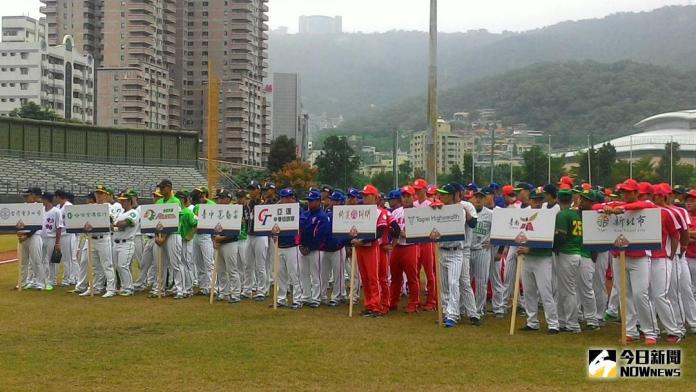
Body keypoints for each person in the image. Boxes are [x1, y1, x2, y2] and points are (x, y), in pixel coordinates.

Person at [593, 178, 659, 345]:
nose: (625, 194)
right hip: (618, 255)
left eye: (629, 191)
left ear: (636, 193)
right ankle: (630, 331)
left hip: (640, 256)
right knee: (625, 295)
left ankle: (650, 332)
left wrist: (621, 208)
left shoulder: (645, 204)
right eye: (623, 191)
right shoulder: (616, 203)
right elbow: (595, 207)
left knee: (640, 294)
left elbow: (646, 206)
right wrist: (608, 208)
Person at [518, 188, 559, 334]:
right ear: (530, 201)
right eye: (534, 199)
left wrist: (530, 249)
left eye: (539, 200)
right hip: (527, 258)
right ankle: (532, 322)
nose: (536, 202)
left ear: (543, 201)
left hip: (542, 258)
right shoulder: (524, 215)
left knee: (545, 292)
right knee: (528, 292)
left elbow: (549, 240)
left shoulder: (548, 216)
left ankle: (553, 324)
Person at [352, 184, 389, 317]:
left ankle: (376, 306)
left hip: (372, 247)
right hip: (360, 247)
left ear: (375, 197)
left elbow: (379, 232)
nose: (364, 198)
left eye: (367, 195)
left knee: (373, 278)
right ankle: (369, 304)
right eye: (363, 195)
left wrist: (362, 240)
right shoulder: (361, 211)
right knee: (365, 278)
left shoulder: (380, 211)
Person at [555, 189, 589, 333]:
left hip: (567, 253)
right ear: (570, 200)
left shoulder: (562, 214)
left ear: (558, 200)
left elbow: (561, 237)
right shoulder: (575, 214)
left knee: (569, 291)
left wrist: (553, 247)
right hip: (576, 252)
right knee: (567, 290)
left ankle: (573, 324)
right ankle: (564, 321)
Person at [82, 184, 118, 298]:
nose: (98, 195)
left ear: (106, 195)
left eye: (101, 193)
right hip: (92, 238)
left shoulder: (109, 207)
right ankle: (95, 287)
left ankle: (111, 288)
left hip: (103, 238)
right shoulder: (91, 207)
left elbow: (112, 222)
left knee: (107, 264)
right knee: (94, 265)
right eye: (97, 193)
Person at [389, 185, 419, 313]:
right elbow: (390, 227)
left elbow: (420, 230)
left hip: (410, 246)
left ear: (414, 197)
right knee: (395, 277)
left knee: (412, 277)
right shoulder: (396, 212)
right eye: (404, 196)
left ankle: (414, 303)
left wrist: (405, 233)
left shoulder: (418, 212)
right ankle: (393, 301)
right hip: (397, 246)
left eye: (408, 196)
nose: (406, 199)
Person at [153, 179, 185, 299]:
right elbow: (155, 221)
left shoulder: (175, 201)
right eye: (160, 187)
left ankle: (180, 290)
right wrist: (157, 236)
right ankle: (159, 289)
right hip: (160, 235)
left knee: (175, 263)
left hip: (173, 235)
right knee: (160, 264)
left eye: (162, 187)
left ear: (169, 187)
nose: (160, 189)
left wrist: (164, 237)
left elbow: (175, 221)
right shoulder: (159, 201)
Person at [298, 190, 329, 308]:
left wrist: (310, 248)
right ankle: (306, 296)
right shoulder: (305, 214)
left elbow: (321, 235)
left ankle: (316, 298)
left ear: (319, 201)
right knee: (304, 274)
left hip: (316, 250)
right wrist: (301, 245)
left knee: (316, 275)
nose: (309, 203)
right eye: (309, 201)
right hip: (303, 248)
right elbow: (300, 230)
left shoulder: (322, 216)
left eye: (312, 201)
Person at [212, 189, 243, 303]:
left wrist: (221, 238)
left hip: (230, 242)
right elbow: (211, 227)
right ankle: (224, 292)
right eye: (219, 198)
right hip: (219, 243)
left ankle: (235, 294)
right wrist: (214, 240)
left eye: (221, 198)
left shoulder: (234, 210)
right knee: (220, 270)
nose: (219, 200)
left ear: (228, 199)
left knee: (232, 270)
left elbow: (235, 231)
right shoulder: (216, 211)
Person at [273, 188, 302, 308]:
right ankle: (281, 299)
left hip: (292, 246)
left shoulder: (298, 210)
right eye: (284, 197)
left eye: (289, 197)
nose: (286, 199)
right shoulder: (276, 210)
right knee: (280, 274)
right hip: (280, 244)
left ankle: (297, 300)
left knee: (294, 274)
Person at [470, 188, 493, 320]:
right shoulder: (467, 212)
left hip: (482, 251)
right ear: (472, 198)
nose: (478, 199)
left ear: (485, 199)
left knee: (481, 282)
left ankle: (478, 310)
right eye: (476, 196)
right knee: (465, 282)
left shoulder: (490, 214)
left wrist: (493, 241)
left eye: (481, 197)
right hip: (468, 250)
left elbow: (498, 230)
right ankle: (464, 308)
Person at [413, 178, 436, 311]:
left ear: (424, 190)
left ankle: (431, 301)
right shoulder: (413, 204)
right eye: (415, 190)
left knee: (430, 272)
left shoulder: (431, 204)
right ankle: (416, 300)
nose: (416, 192)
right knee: (414, 272)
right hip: (415, 241)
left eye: (419, 190)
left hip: (427, 241)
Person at [322, 190, 347, 306]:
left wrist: (343, 244)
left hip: (338, 248)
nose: (331, 201)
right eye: (331, 199)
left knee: (338, 274)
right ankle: (322, 296)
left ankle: (337, 296)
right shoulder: (326, 211)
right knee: (323, 274)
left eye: (334, 200)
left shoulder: (343, 214)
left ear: (340, 202)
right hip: (326, 248)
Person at [244, 180, 269, 301]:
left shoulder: (264, 205)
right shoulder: (247, 204)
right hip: (249, 235)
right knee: (248, 264)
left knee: (260, 265)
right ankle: (247, 289)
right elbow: (245, 220)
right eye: (250, 189)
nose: (251, 191)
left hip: (261, 235)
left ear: (258, 190)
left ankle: (261, 290)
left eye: (253, 189)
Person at [112, 191, 139, 296]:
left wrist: (118, 224)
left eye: (124, 200)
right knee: (117, 266)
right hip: (117, 242)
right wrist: (117, 224)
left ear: (129, 201)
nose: (121, 202)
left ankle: (129, 288)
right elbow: (115, 226)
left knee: (123, 266)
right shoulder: (121, 213)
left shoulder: (133, 212)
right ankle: (123, 286)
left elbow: (125, 224)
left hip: (127, 242)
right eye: (121, 200)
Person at [190, 187, 215, 295]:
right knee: (198, 262)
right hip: (197, 235)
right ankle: (202, 286)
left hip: (206, 235)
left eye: (200, 195)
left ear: (204, 194)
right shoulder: (196, 206)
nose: (198, 197)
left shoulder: (212, 205)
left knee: (209, 262)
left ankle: (212, 287)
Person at [177, 190, 198, 298]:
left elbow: (197, 223)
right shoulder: (178, 212)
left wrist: (190, 235)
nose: (179, 200)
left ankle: (189, 289)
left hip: (187, 240)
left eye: (181, 198)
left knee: (187, 263)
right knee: (181, 263)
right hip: (180, 239)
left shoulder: (188, 212)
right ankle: (184, 288)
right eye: (178, 198)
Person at [54, 190, 76, 286]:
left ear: (59, 197)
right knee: (63, 258)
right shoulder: (58, 207)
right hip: (60, 235)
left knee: (69, 258)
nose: (55, 199)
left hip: (68, 234)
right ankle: (68, 277)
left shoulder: (69, 206)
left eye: (56, 197)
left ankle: (70, 278)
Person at [41, 191, 62, 290]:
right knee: (41, 259)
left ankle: (51, 280)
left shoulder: (56, 211)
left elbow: (59, 227)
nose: (41, 200)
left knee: (50, 260)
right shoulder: (41, 210)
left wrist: (57, 242)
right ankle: (42, 280)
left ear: (47, 199)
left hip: (51, 238)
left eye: (43, 198)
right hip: (41, 237)